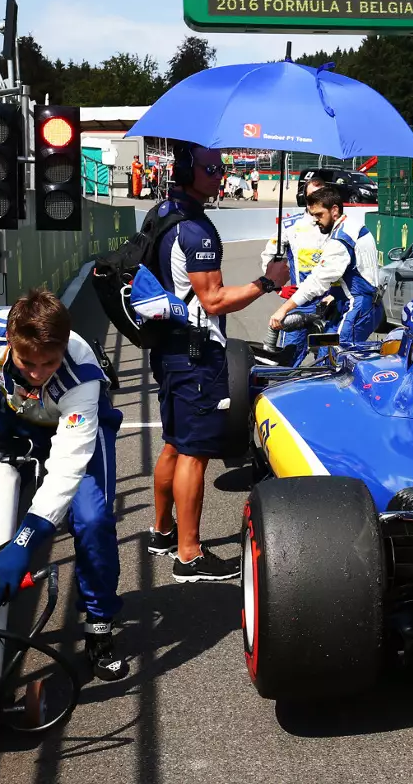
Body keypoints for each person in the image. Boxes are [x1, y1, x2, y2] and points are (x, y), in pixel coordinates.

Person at [0, 289, 129, 680]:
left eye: (49, 362)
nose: (38, 372)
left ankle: (99, 624)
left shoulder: (82, 378)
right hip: (19, 417)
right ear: (10, 342)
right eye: (28, 362)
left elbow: (66, 468)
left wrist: (25, 543)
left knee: (92, 520)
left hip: (76, 429)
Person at [147, 141, 289, 581]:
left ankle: (162, 531)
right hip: (194, 353)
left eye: (221, 167)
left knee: (173, 442)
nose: (220, 175)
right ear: (188, 171)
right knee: (194, 452)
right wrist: (268, 281)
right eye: (211, 169)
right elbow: (214, 300)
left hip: (168, 346)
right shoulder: (196, 230)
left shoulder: (161, 212)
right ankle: (189, 555)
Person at [268, 185, 381, 352]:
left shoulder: (340, 240)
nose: (315, 220)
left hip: (358, 308)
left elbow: (317, 281)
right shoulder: (352, 226)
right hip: (363, 306)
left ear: (334, 210)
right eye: (313, 215)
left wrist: (284, 309)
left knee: (334, 358)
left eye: (319, 215)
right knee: (323, 350)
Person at [259, 175, 330, 365]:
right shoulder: (290, 226)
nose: (316, 200)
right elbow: (269, 257)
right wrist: (277, 288)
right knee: (286, 365)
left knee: (330, 363)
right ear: (304, 198)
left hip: (329, 307)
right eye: (311, 196)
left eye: (321, 195)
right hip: (299, 305)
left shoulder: (336, 226)